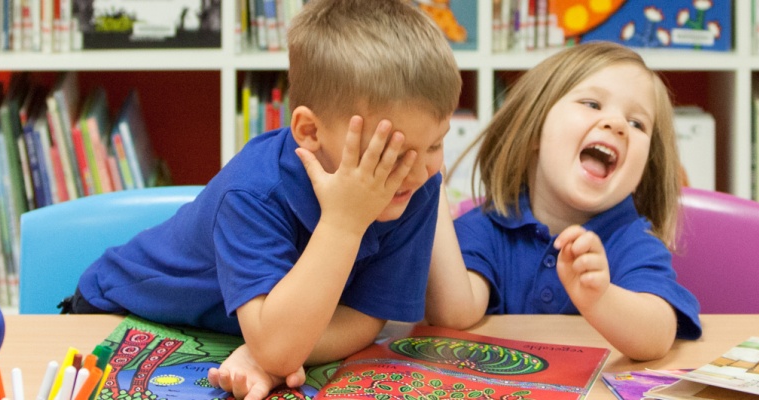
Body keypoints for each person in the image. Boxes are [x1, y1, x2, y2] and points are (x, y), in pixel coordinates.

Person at [62, 0, 460, 398]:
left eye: (435, 144)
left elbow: (364, 317)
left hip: (234, 337)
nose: (418, 169)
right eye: (388, 153)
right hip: (123, 315)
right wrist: (345, 222)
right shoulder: (253, 191)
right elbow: (277, 348)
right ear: (309, 131)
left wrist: (272, 356)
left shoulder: (414, 186)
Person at [425, 42, 700, 361]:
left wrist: (601, 298)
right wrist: (432, 193)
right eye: (593, 104)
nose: (617, 125)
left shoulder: (633, 240)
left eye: (637, 123)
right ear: (534, 131)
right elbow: (453, 314)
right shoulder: (487, 226)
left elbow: (656, 336)